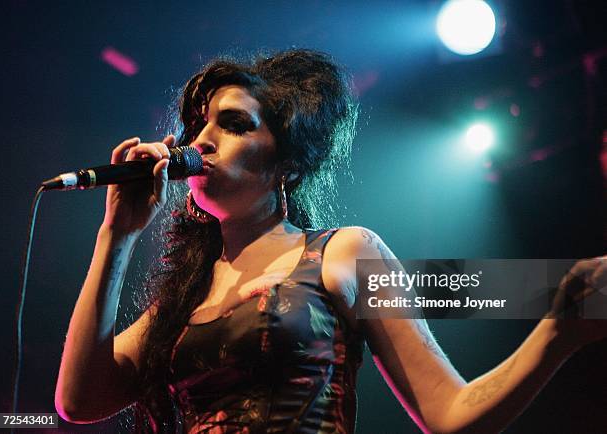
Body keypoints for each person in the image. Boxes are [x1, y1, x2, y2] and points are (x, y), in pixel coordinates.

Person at [54, 49, 607, 433]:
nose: (202, 139)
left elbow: (450, 411)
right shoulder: (182, 301)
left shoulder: (342, 253)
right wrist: (116, 235)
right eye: (200, 124)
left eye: (234, 124)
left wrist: (554, 333)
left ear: (287, 163)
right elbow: (77, 402)